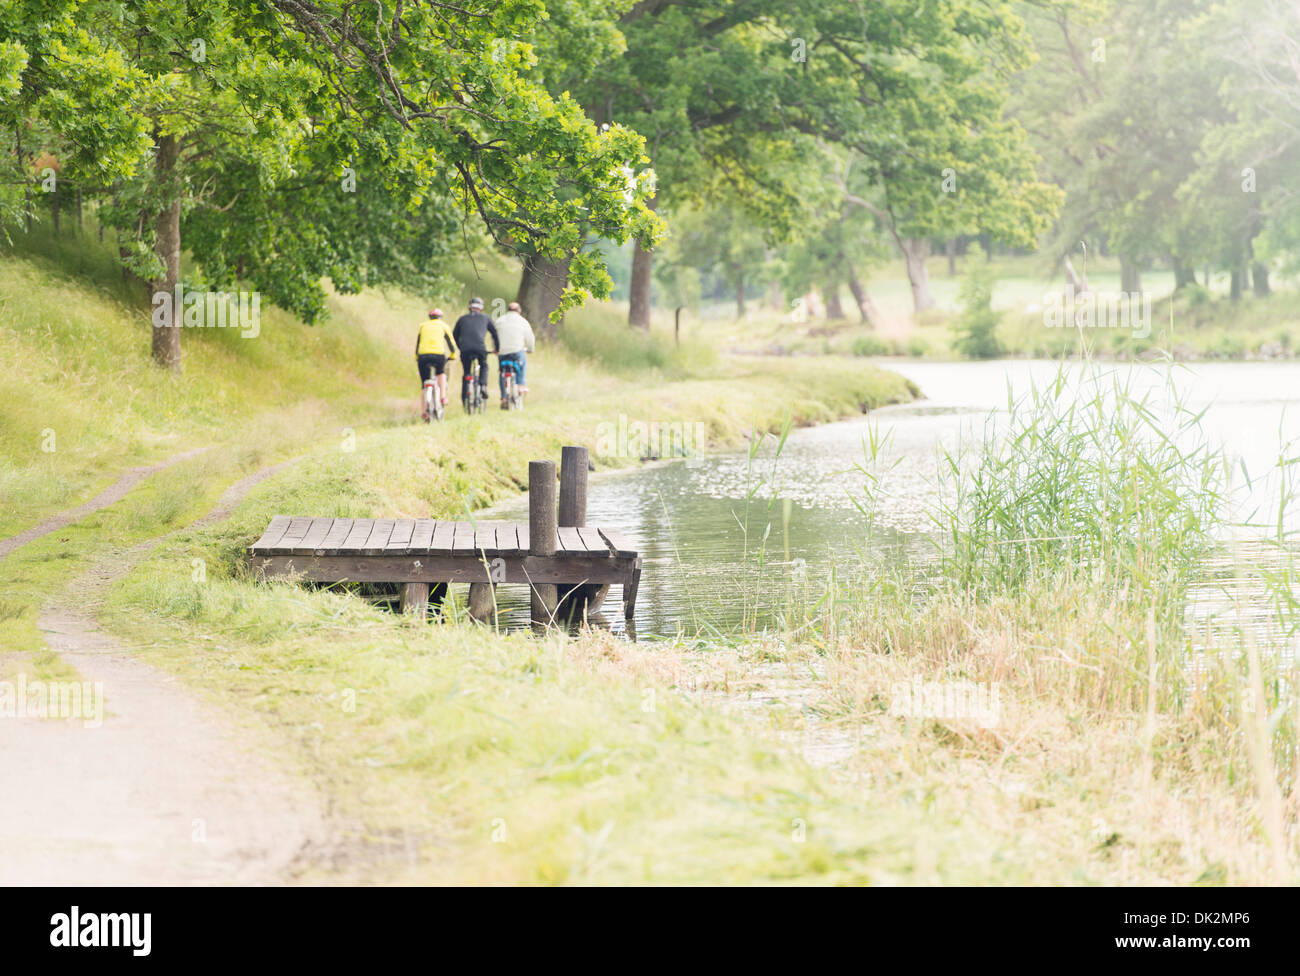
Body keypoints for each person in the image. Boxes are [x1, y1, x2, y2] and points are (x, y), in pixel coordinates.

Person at [452, 297, 498, 406]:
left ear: (470, 307)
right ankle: (482, 385)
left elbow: (454, 335)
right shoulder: (486, 318)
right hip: (480, 349)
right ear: (481, 308)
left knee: (466, 373)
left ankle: (465, 399)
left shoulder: (462, 319)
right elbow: (494, 333)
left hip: (465, 350)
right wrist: (497, 348)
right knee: (483, 365)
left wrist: (460, 347)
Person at [415, 308, 457, 420]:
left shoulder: (422, 326)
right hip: (438, 355)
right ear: (440, 317)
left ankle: (424, 412)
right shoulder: (443, 326)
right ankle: (443, 397)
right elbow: (451, 343)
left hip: (423, 356)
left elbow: (418, 343)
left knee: (424, 384)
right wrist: (453, 355)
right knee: (441, 374)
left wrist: (416, 356)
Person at [494, 301, 535, 407]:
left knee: (502, 371)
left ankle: (503, 397)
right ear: (519, 311)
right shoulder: (523, 321)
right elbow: (530, 338)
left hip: (502, 352)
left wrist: (496, 349)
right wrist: (530, 349)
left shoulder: (499, 320)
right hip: (517, 352)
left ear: (508, 310)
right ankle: (521, 385)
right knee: (522, 363)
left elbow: (494, 336)